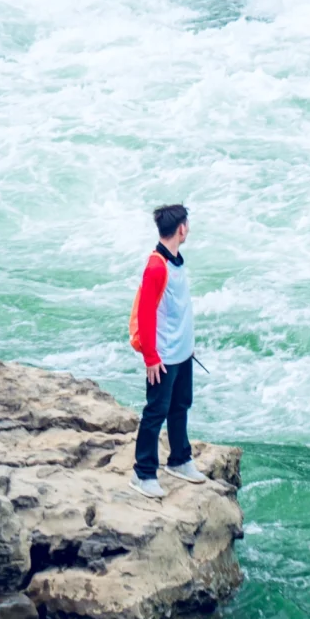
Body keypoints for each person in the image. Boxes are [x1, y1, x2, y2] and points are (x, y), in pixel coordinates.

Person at [128, 204, 208, 499]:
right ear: (181, 229)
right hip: (163, 356)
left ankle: (180, 459)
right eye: (188, 225)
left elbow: (177, 308)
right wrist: (151, 358)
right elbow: (146, 313)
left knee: (180, 405)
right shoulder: (156, 266)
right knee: (155, 412)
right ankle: (143, 473)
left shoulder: (175, 261)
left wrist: (188, 345)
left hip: (182, 352)